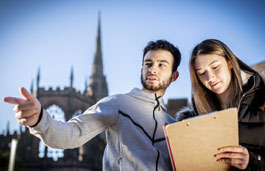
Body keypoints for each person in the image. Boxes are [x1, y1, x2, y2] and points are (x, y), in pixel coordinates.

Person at [4, 39, 181, 171]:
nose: (153, 69)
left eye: (162, 65)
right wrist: (40, 119)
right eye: (148, 64)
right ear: (141, 69)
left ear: (174, 76)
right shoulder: (118, 104)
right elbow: (72, 134)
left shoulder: (174, 126)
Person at [177, 39, 265, 170]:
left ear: (230, 62)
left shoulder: (262, 99)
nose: (210, 78)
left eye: (215, 67)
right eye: (202, 73)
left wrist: (253, 161)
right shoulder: (191, 120)